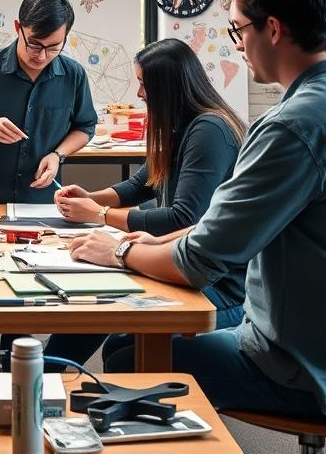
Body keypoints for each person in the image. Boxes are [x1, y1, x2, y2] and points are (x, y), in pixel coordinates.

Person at [69, 0, 326, 421]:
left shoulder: (291, 126)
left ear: (272, 29)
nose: (236, 44)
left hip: (316, 371)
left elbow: (198, 263)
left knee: (126, 354)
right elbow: (225, 228)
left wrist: (116, 251)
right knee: (134, 341)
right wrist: (151, 238)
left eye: (237, 30)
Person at [45, 38, 248, 369]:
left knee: (118, 337)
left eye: (144, 84)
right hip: (175, 260)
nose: (139, 94)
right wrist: (88, 198)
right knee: (101, 304)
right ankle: (41, 374)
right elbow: (139, 185)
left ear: (168, 86)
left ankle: (42, 374)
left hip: (216, 284)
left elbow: (183, 216)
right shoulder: (178, 125)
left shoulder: (209, 129)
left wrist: (98, 214)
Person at [0, 0, 99, 367]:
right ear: (18, 28)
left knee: (28, 280)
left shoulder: (72, 74)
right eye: (34, 44)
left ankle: (15, 356)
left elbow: (86, 126)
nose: (41, 55)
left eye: (53, 47)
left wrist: (58, 154)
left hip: (37, 200)